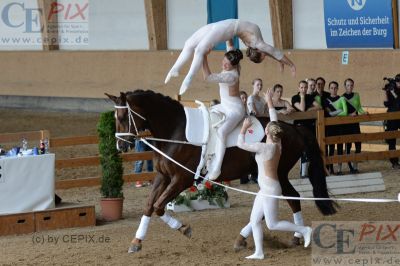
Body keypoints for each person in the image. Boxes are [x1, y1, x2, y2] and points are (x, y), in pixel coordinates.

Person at [236, 89, 312, 260]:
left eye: (266, 128)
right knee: (255, 220)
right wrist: (269, 101)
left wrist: (244, 128)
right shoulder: (278, 145)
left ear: (267, 133)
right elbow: (274, 120)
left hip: (270, 189)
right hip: (265, 189)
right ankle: (259, 252)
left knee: (272, 224)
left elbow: (239, 143)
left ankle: (304, 230)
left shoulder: (264, 147)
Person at [164, 19, 296, 95]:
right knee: (192, 45)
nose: (265, 55)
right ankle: (177, 70)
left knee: (194, 46)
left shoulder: (255, 43)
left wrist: (280, 61)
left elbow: (273, 53)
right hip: (224, 28)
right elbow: (275, 52)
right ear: (260, 52)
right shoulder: (257, 43)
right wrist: (291, 65)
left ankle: (185, 76)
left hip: (223, 26)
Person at [202, 42, 245, 180]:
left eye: (227, 64)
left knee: (221, 132)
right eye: (223, 61)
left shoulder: (231, 76)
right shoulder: (235, 62)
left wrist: (203, 57)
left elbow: (207, 77)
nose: (223, 65)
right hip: (224, 105)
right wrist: (228, 39)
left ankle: (216, 168)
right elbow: (230, 47)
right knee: (206, 114)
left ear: (234, 65)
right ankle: (207, 154)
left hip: (234, 109)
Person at [291, 80, 321, 178]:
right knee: (303, 148)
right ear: (298, 88)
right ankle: (303, 172)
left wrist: (310, 109)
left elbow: (319, 106)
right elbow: (302, 109)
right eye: (302, 87)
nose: (304, 89)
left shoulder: (310, 97)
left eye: (305, 87)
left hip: (310, 126)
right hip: (300, 126)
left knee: (310, 148)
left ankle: (308, 171)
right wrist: (302, 97)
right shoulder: (295, 98)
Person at [342, 78, 367, 174]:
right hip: (347, 125)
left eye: (351, 85)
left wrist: (364, 113)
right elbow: (342, 112)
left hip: (356, 124)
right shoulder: (342, 97)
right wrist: (349, 115)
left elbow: (359, 107)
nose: (350, 87)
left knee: (358, 144)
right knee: (348, 146)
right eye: (348, 85)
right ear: (345, 86)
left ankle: (355, 166)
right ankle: (349, 167)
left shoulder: (356, 95)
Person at [324, 81, 348, 175]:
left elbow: (345, 113)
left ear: (337, 89)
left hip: (340, 126)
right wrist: (340, 111)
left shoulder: (341, 98)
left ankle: (339, 169)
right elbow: (329, 114)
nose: (333, 90)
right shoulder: (326, 100)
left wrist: (336, 113)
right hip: (330, 127)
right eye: (332, 88)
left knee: (340, 147)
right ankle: (330, 168)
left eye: (335, 88)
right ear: (329, 89)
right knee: (331, 148)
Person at [383, 74, 400, 169]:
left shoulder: (394, 91)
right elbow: (387, 104)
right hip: (391, 117)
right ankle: (394, 162)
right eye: (397, 81)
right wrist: (386, 92)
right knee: (391, 141)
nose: (399, 83)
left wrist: (393, 92)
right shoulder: (391, 89)